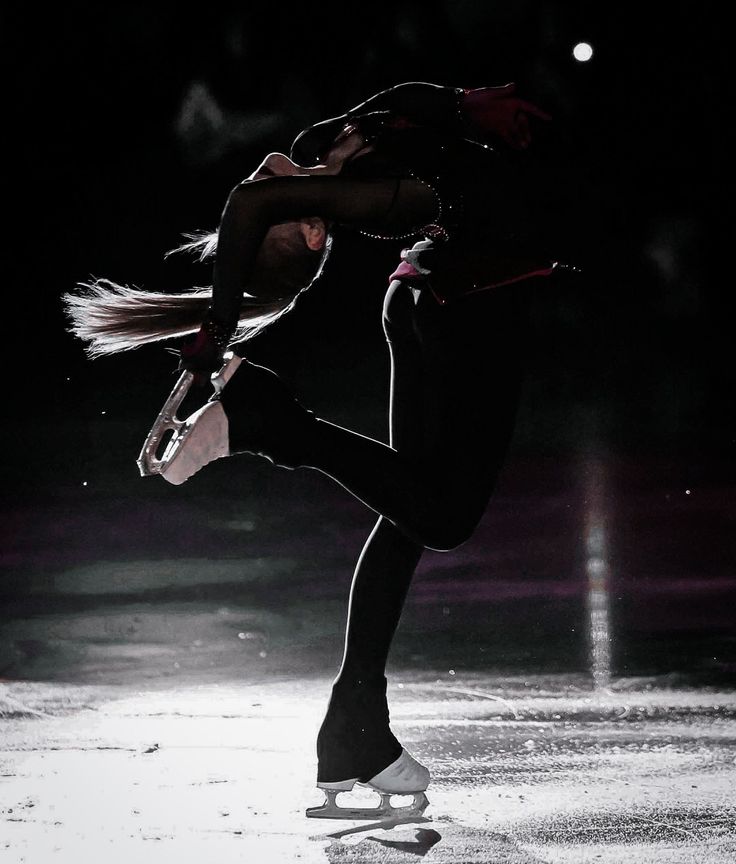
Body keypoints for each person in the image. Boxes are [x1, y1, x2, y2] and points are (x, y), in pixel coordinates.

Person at [63, 81, 564, 820]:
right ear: (312, 235)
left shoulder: (325, 151)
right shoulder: (357, 188)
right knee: (445, 518)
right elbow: (247, 206)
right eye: (277, 204)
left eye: (266, 181)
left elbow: (404, 103)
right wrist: (215, 334)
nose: (261, 176)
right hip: (474, 304)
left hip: (433, 294)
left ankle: (355, 728)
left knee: (408, 511)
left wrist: (457, 105)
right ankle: (268, 420)